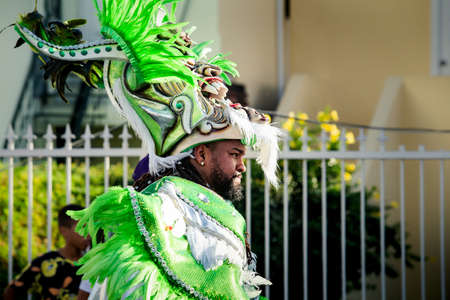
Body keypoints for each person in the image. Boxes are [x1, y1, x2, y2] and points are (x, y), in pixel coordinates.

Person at [11, 0, 281, 298]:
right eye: (235, 155)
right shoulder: (165, 204)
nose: (243, 166)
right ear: (201, 155)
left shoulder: (203, 206)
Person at [3, 204, 90, 300]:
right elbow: (12, 290)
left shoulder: (92, 266)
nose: (88, 234)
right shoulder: (45, 262)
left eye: (90, 228)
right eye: (83, 227)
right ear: (64, 231)